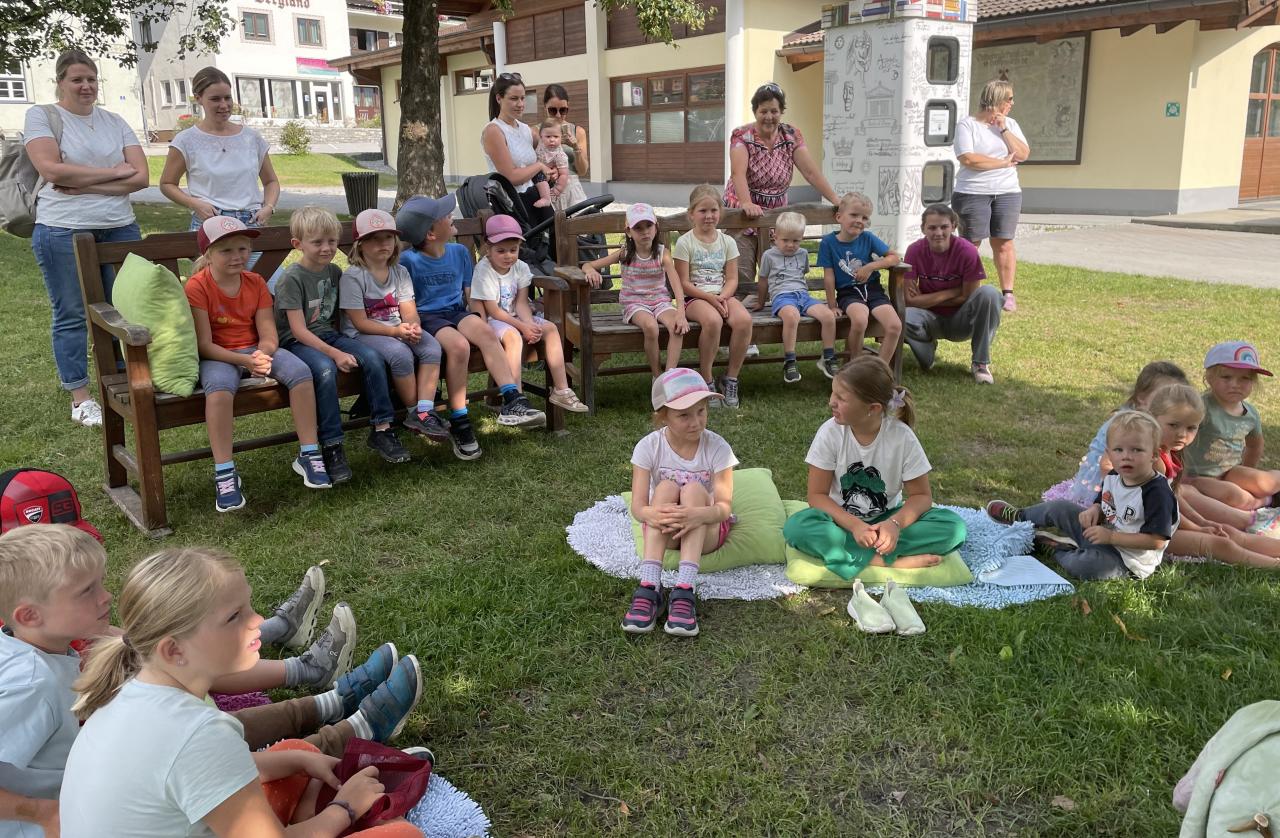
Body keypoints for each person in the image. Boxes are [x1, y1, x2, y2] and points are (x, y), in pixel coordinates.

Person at [0, 527, 419, 838]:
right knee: (405, 835)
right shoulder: (198, 732)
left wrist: (293, 762)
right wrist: (346, 808)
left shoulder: (132, 689)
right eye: (235, 616)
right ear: (173, 651)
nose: (258, 622)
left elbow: (193, 775)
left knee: (296, 751)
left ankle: (330, 763)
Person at [23, 49, 149, 428]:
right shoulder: (42, 116)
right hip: (62, 227)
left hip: (119, 225)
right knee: (73, 313)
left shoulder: (115, 121)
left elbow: (141, 177)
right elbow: (49, 168)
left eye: (91, 79)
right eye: (77, 79)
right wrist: (114, 172)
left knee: (125, 306)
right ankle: (80, 397)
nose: (86, 86)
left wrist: (81, 180)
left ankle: (129, 381)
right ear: (60, 82)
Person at [185, 216, 331, 511]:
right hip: (220, 354)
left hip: (255, 349)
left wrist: (262, 354)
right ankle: (224, 471)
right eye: (226, 251)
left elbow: (268, 333)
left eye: (242, 248)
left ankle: (309, 452)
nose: (237, 256)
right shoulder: (197, 287)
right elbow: (204, 344)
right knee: (220, 389)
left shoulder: (255, 283)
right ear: (208, 255)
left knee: (301, 373)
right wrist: (244, 360)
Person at [783, 356, 967, 582]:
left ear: (872, 408)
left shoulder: (902, 438)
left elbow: (921, 496)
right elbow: (816, 496)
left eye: (841, 398)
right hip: (839, 522)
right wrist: (855, 526)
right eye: (833, 393)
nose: (832, 401)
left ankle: (855, 555)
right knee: (797, 527)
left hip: (887, 519)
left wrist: (894, 525)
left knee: (953, 528)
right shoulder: (829, 433)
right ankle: (883, 560)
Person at [395, 193, 546, 460]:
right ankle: (460, 421)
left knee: (486, 333)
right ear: (431, 233)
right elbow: (408, 303)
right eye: (445, 215)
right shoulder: (408, 261)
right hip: (428, 318)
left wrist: (478, 318)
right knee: (459, 346)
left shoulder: (459, 252)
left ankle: (512, 399)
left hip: (457, 312)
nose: (451, 215)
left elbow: (469, 295)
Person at [275, 206, 414, 480]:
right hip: (295, 342)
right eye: (317, 242)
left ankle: (382, 430)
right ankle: (332, 446)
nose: (326, 248)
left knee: (373, 358)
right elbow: (298, 330)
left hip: (328, 335)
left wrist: (343, 345)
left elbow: (339, 317)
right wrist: (335, 353)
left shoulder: (335, 273)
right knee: (326, 371)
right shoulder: (291, 279)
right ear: (298, 244)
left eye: (332, 242)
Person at [987, 410, 1178, 580]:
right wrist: (1095, 509)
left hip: (1128, 561)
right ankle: (1021, 517)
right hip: (1100, 535)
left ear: (1154, 455)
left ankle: (1054, 547)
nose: (1126, 456)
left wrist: (1111, 538)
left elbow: (1157, 540)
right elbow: (1104, 501)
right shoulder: (1115, 475)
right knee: (1060, 507)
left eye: (1136, 450)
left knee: (1086, 566)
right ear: (1109, 453)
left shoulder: (1156, 493)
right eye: (1119, 450)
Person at [622, 369, 738, 638]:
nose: (696, 422)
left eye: (701, 411)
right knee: (664, 488)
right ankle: (650, 586)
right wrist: (659, 513)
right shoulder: (648, 447)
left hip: (705, 532)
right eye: (683, 415)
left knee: (695, 490)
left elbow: (723, 508)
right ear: (662, 416)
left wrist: (695, 515)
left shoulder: (718, 448)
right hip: (667, 531)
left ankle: (685, 590)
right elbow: (639, 508)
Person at [339, 208, 453, 456]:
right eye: (375, 238)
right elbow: (359, 323)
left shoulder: (399, 272)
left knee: (431, 347)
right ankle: (413, 412)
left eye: (389, 238)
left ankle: (425, 410)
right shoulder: (353, 277)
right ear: (360, 245)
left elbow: (408, 309)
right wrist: (396, 333)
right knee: (400, 354)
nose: (384, 244)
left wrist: (412, 327)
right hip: (366, 335)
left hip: (398, 329)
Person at [159, 66, 280, 268]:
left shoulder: (251, 138)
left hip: (250, 223)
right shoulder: (187, 140)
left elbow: (271, 181)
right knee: (217, 293)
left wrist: (269, 207)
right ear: (198, 98)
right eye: (215, 99)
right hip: (210, 224)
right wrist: (194, 203)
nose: (224, 105)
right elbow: (167, 183)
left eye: (227, 98)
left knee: (269, 286)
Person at [1148, 384, 1280, 568]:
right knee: (1222, 544)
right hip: (1148, 534)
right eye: (1173, 425)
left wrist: (1202, 521)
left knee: (1227, 532)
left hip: (1166, 526)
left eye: (1191, 428)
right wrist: (1198, 527)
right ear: (1152, 418)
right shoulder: (1153, 460)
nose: (1182, 434)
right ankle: (1274, 567)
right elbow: (1165, 510)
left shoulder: (1169, 453)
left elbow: (1173, 497)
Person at [724, 82, 840, 286]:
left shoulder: (791, 135)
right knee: (742, 271)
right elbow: (737, 173)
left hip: (776, 213)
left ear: (781, 112)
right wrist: (746, 203)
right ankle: (741, 312)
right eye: (763, 111)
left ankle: (773, 307)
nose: (769, 116)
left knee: (777, 272)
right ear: (755, 112)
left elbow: (810, 172)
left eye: (774, 111)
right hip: (744, 209)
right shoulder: (742, 136)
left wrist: (836, 200)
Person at [470, 215, 587, 413]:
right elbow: (493, 311)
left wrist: (528, 323)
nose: (508, 256)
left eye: (513, 250)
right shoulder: (484, 270)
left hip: (515, 317)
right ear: (488, 249)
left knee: (550, 328)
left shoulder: (520, 267)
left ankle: (561, 390)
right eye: (501, 251)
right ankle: (516, 399)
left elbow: (522, 303)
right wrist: (522, 327)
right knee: (514, 337)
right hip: (492, 321)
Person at [1063, 360, 1189, 508]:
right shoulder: (1131, 425)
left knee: (1184, 492)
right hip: (1103, 490)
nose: (1170, 404)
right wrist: (1114, 496)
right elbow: (1106, 465)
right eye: (1163, 397)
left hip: (1133, 479)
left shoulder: (1154, 419)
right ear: (1142, 397)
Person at [583, 203, 688, 378]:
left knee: (677, 327)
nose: (645, 231)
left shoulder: (663, 254)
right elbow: (588, 264)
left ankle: (669, 376)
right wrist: (589, 270)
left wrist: (680, 312)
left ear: (656, 228)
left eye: (648, 226)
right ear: (628, 232)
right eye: (638, 228)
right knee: (651, 327)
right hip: (634, 304)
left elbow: (676, 284)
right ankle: (657, 375)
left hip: (660, 302)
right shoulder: (624, 254)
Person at [953, 79, 1030, 313]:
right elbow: (968, 158)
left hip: (1007, 191)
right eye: (1009, 99)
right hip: (972, 192)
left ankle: (1008, 294)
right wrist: (1002, 162)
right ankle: (969, 292)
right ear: (997, 100)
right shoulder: (967, 125)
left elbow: (1024, 154)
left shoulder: (1011, 124)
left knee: (1004, 241)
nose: (1012, 103)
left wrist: (1004, 128)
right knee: (971, 244)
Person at [902, 204, 1002, 384]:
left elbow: (967, 296)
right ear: (923, 228)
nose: (938, 232)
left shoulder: (967, 251)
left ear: (954, 226)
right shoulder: (914, 250)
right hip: (928, 317)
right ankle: (927, 353)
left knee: (990, 293)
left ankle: (980, 363)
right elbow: (909, 300)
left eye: (944, 227)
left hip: (962, 319)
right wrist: (953, 292)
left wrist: (925, 299)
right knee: (903, 315)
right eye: (932, 227)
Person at [674, 185, 752, 409]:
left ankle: (730, 379)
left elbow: (732, 279)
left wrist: (723, 297)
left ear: (721, 212)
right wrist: (711, 300)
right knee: (713, 321)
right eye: (702, 211)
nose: (709, 216)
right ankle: (706, 380)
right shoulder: (685, 242)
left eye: (714, 210)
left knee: (744, 321)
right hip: (695, 298)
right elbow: (684, 283)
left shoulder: (727, 242)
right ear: (691, 214)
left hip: (722, 295)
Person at [1183, 341, 1280, 512]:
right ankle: (1265, 502)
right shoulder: (1200, 407)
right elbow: (1178, 437)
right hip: (1197, 476)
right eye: (1226, 377)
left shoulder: (1250, 413)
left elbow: (1255, 445)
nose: (1235, 384)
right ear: (1209, 378)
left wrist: (1247, 471)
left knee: (1265, 482)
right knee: (1232, 495)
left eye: (1245, 378)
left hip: (1231, 471)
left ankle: (1268, 493)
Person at [817, 193, 901, 371]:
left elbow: (894, 257)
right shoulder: (828, 243)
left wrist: (870, 267)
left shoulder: (868, 238)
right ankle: (854, 368)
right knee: (860, 320)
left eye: (865, 217)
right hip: (849, 293)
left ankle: (879, 370)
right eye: (854, 215)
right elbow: (829, 277)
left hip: (873, 290)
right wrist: (832, 305)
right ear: (839, 217)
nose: (859, 220)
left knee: (894, 326)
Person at [753, 210, 836, 384]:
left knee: (828, 316)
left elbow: (801, 275)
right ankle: (790, 360)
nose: (791, 245)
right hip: (782, 297)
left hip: (803, 296)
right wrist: (761, 302)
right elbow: (762, 280)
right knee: (792, 316)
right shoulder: (769, 256)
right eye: (785, 240)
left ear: (802, 238)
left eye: (796, 241)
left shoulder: (803, 254)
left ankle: (828, 357)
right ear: (775, 237)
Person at [481, 73, 554, 231]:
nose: (520, 104)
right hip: (513, 205)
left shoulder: (526, 130)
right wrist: (539, 166)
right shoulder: (494, 131)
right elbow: (511, 177)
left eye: (523, 98)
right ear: (499, 98)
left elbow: (546, 152)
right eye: (514, 98)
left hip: (535, 199)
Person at [541, 85, 589, 213]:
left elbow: (583, 171)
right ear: (544, 107)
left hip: (572, 188)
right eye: (552, 110)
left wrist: (575, 147)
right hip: (547, 188)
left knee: (580, 230)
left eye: (563, 110)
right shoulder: (536, 131)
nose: (558, 115)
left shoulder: (577, 131)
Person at [532, 121, 569, 208]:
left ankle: (546, 198)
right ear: (541, 137)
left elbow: (564, 174)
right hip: (533, 173)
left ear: (561, 138)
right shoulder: (540, 145)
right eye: (548, 136)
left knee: (540, 176)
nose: (552, 139)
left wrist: (558, 189)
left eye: (556, 137)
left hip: (548, 179)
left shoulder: (560, 154)